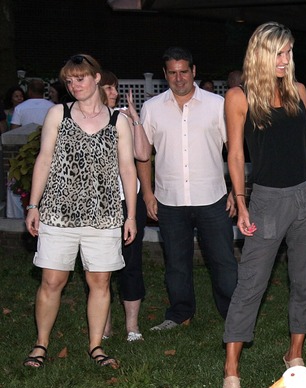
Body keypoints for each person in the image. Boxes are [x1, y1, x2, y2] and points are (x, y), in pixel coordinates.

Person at [220, 22, 306, 388]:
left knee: (304, 279)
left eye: (289, 53)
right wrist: (241, 199)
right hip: (266, 200)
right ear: (261, 54)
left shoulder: (298, 90)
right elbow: (235, 153)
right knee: (251, 283)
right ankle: (231, 369)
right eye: (279, 53)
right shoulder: (240, 96)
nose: (286, 60)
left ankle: (294, 352)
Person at [22, 54, 139, 369]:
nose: (74, 85)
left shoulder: (120, 121)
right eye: (69, 81)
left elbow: (128, 169)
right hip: (59, 212)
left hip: (104, 215)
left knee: (100, 282)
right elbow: (44, 159)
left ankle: (96, 347)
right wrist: (33, 205)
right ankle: (40, 344)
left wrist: (130, 215)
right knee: (52, 280)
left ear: (97, 78)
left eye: (81, 78)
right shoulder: (58, 114)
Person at [137, 47, 237, 331]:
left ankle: (233, 315)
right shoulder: (152, 107)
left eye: (184, 71)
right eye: (172, 72)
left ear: (194, 71)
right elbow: (143, 154)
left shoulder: (218, 104)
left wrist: (234, 190)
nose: (179, 78)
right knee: (176, 263)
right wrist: (147, 193)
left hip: (213, 198)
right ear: (165, 74)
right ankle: (180, 314)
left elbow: (234, 150)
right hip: (169, 199)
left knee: (224, 262)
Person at [99, 70, 152, 342]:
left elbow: (143, 154)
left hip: (127, 202)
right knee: (100, 267)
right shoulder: (84, 120)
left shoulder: (123, 118)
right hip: (98, 204)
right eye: (109, 88)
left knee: (131, 263)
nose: (115, 93)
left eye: (115, 88)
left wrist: (135, 119)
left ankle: (132, 326)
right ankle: (104, 327)